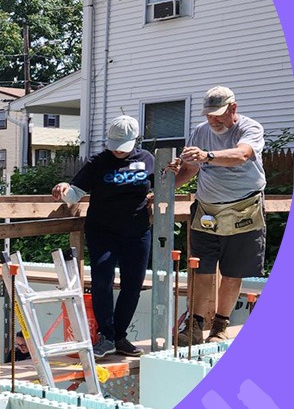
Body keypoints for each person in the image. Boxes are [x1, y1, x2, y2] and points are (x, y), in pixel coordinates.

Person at [166, 86, 266, 345]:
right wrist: (167, 186)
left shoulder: (250, 129)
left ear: (233, 108)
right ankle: (195, 325)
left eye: (219, 115)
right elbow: (189, 169)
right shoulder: (200, 131)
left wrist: (207, 156)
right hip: (207, 208)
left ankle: (220, 325)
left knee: (233, 271)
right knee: (201, 266)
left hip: (244, 208)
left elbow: (242, 155)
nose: (213, 121)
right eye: (209, 115)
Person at [52, 115, 156, 358]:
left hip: (137, 231)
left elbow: (160, 186)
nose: (118, 152)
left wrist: (158, 193)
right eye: (115, 146)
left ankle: (119, 337)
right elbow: (75, 193)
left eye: (124, 147)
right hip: (103, 230)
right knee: (102, 280)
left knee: (133, 284)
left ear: (135, 140)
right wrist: (63, 188)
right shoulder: (98, 162)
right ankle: (106, 336)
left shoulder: (147, 160)